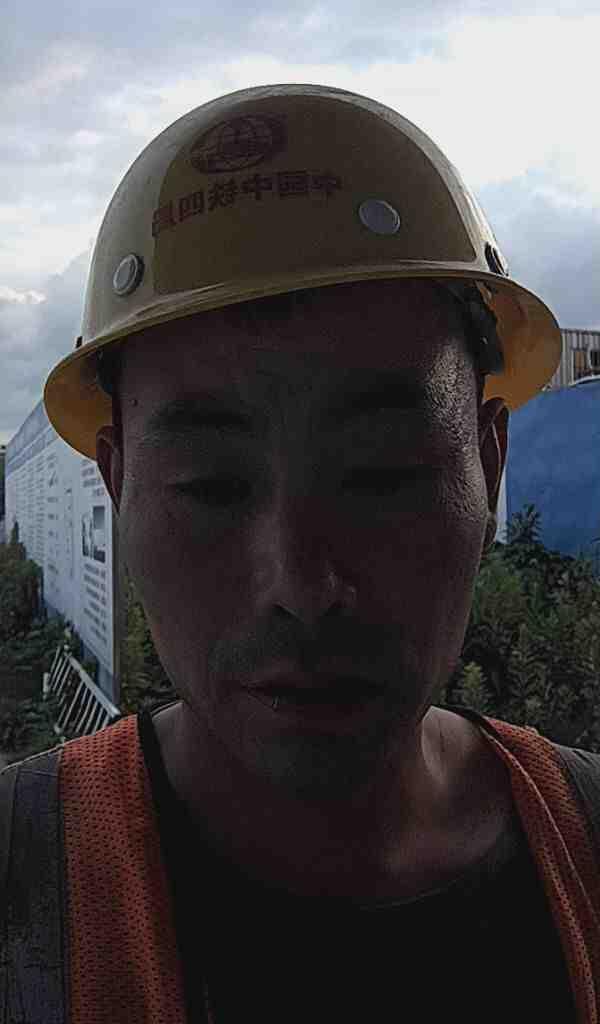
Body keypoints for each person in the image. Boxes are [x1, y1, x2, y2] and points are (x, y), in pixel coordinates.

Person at [2, 84, 599, 1022]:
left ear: (489, 465)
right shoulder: (22, 881)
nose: (302, 585)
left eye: (383, 473)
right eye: (210, 486)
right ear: (118, 486)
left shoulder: (586, 843)